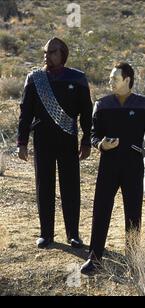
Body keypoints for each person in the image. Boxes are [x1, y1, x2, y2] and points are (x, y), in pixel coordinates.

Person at [80, 62, 145, 274]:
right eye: (110, 78)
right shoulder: (102, 104)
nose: (110, 81)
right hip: (108, 165)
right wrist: (100, 144)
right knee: (101, 211)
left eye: (114, 78)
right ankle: (94, 257)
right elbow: (93, 134)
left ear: (127, 80)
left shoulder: (144, 105)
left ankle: (133, 262)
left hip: (133, 166)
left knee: (133, 214)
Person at [17, 37, 92, 249]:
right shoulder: (35, 78)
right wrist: (22, 142)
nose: (46, 56)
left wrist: (86, 141)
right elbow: (25, 113)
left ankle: (73, 234)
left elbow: (86, 113)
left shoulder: (77, 79)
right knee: (44, 186)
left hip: (68, 139)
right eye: (45, 52)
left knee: (70, 187)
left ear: (62, 55)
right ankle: (46, 233)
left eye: (51, 52)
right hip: (42, 140)